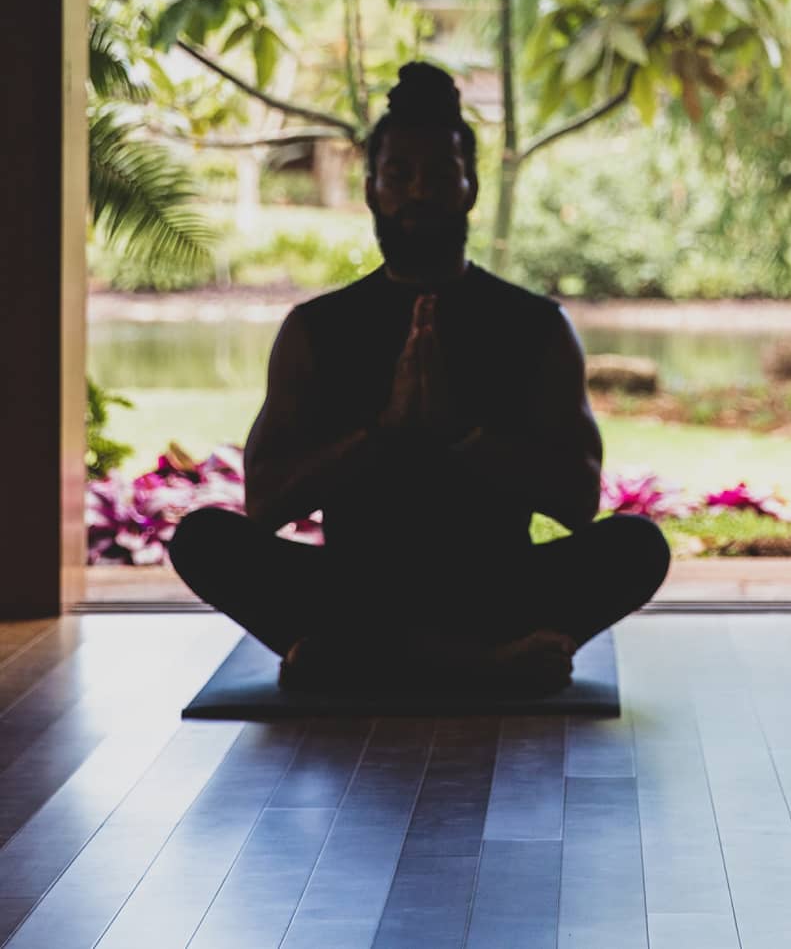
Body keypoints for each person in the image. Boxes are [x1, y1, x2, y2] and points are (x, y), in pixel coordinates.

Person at [169, 62, 670, 694]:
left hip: (495, 590)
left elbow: (578, 502)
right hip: (354, 590)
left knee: (637, 546)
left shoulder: (536, 326)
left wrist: (462, 433)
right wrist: (383, 432)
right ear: (373, 189)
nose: (419, 192)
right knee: (203, 538)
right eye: (399, 174)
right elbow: (265, 504)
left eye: (439, 174)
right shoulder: (316, 327)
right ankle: (483, 666)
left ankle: (365, 663)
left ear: (470, 187)